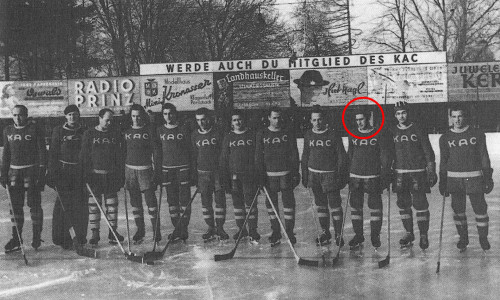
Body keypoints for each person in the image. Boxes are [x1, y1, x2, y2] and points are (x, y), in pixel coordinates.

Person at [439, 106, 493, 251]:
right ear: (450, 118)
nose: (457, 120)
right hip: (454, 180)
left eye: (460, 116)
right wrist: (442, 179)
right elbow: (444, 160)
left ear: (465, 117)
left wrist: (488, 176)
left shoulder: (477, 134)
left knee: (480, 208)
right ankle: (463, 238)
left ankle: (483, 238)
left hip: (474, 178)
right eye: (454, 116)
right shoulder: (445, 137)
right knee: (458, 210)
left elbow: (484, 156)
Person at [390, 101, 436, 250]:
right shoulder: (392, 130)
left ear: (408, 113)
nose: (401, 116)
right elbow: (388, 152)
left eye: (403, 112)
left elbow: (428, 151)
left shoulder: (418, 128)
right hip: (399, 173)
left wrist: (431, 170)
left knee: (420, 203)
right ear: (395, 115)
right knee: (403, 204)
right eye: (398, 113)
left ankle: (423, 234)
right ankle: (409, 232)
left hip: (417, 173)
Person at [1, 105, 46, 252]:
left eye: (20, 115)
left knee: (34, 205)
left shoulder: (34, 129)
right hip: (14, 173)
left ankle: (36, 236)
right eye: (14, 115)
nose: (17, 118)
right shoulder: (8, 130)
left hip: (31, 172)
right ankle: (16, 239)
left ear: (26, 115)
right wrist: (3, 173)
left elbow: (42, 152)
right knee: (15, 207)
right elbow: (6, 154)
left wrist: (41, 172)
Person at [301, 106, 348, 246]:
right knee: (320, 205)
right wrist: (304, 174)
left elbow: (341, 156)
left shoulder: (333, 135)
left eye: (320, 119)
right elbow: (305, 155)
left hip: (330, 175)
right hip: (314, 175)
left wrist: (341, 175)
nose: (317, 122)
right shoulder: (308, 134)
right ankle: (325, 232)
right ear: (311, 121)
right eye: (314, 120)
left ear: (324, 119)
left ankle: (339, 234)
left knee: (335, 205)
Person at [347, 109, 393, 250]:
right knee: (355, 206)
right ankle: (358, 235)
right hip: (355, 176)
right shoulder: (353, 134)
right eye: (357, 120)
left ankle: (375, 235)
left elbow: (385, 156)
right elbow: (350, 154)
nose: (359, 122)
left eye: (362, 119)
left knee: (375, 206)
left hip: (373, 176)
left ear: (368, 118)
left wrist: (385, 174)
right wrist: (346, 173)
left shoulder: (378, 134)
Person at [255, 107, 300, 246]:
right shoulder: (262, 133)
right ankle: (275, 232)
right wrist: (260, 175)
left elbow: (294, 154)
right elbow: (258, 156)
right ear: (268, 118)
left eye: (279, 117)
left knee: (288, 205)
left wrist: (295, 172)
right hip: (269, 176)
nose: (277, 120)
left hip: (285, 174)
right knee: (271, 206)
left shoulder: (287, 133)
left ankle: (289, 232)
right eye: (274, 117)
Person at [80, 108, 125, 246]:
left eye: (111, 120)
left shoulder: (115, 133)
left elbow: (120, 155)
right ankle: (95, 233)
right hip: (95, 175)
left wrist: (120, 173)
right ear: (100, 118)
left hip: (111, 175)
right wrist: (85, 173)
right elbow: (84, 155)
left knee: (112, 205)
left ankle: (113, 232)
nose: (109, 122)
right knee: (94, 205)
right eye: (107, 120)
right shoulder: (89, 133)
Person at [47, 105, 88, 250]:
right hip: (63, 172)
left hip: (79, 171)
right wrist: (51, 172)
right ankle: (62, 237)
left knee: (80, 204)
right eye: (70, 114)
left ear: (79, 116)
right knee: (63, 205)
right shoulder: (58, 131)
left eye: (75, 114)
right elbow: (53, 153)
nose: (72, 117)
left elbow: (88, 152)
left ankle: (79, 237)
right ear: (65, 116)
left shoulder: (84, 131)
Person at [220, 110, 260, 243]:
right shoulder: (228, 137)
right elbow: (224, 159)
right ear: (231, 123)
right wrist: (225, 178)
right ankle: (242, 229)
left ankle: (253, 230)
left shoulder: (252, 135)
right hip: (234, 177)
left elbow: (257, 156)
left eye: (240, 119)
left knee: (251, 204)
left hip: (249, 176)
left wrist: (258, 174)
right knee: (238, 205)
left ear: (244, 120)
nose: (238, 122)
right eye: (235, 120)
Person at [154, 103, 192, 242]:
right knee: (172, 201)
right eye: (165, 114)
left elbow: (190, 150)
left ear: (175, 114)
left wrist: (192, 171)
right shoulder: (159, 130)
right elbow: (157, 153)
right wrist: (158, 173)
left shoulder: (183, 129)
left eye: (170, 113)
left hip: (183, 168)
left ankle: (184, 228)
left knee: (184, 200)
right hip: (167, 170)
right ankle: (176, 228)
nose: (168, 116)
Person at [123, 104, 160, 244]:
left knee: (151, 201)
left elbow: (156, 151)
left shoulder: (149, 131)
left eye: (138, 116)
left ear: (142, 116)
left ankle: (156, 230)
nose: (136, 119)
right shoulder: (126, 131)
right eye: (133, 116)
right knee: (135, 202)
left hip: (145, 169)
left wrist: (157, 171)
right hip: (130, 169)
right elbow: (122, 152)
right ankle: (140, 229)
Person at [191, 108, 228, 242]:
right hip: (202, 173)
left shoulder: (218, 133)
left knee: (220, 201)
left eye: (203, 119)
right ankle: (210, 228)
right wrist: (194, 174)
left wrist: (224, 170)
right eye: (198, 120)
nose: (201, 122)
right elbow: (194, 155)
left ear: (209, 118)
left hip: (217, 172)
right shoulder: (195, 134)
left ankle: (220, 228)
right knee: (206, 202)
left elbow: (224, 154)